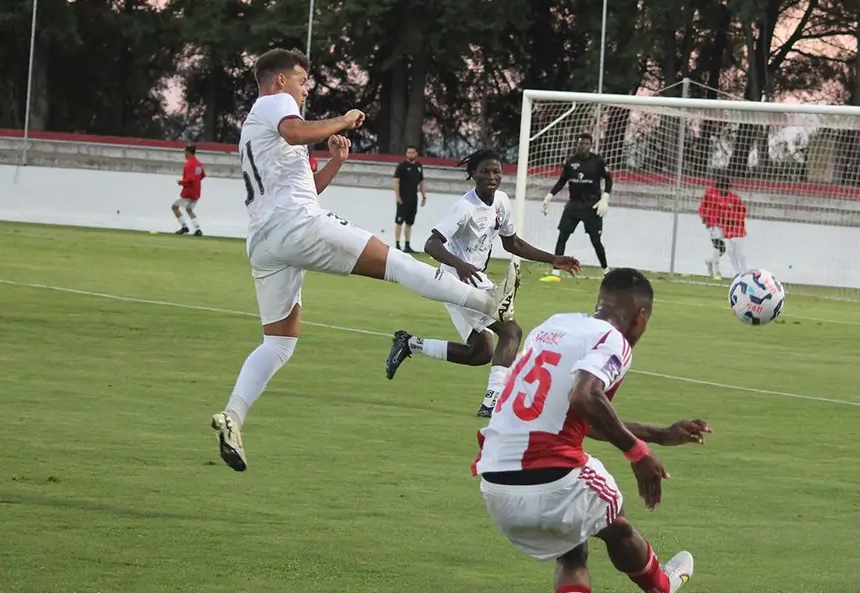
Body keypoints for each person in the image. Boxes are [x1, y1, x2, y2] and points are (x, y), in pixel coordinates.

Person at [210, 48, 512, 473]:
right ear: (279, 80)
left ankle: (233, 416)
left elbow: (304, 186)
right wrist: (345, 119)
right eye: (300, 79)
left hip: (264, 240)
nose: (304, 87)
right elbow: (297, 133)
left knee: (279, 342)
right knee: (400, 264)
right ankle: (486, 304)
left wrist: (335, 160)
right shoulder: (277, 105)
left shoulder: (255, 128)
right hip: (297, 227)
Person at [472, 268, 708, 593]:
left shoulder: (554, 325)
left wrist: (658, 434)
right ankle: (659, 589)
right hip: (551, 480)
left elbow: (577, 414)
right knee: (616, 524)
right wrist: (638, 453)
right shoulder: (614, 340)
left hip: (495, 485)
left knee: (573, 545)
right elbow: (585, 396)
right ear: (642, 316)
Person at [386, 149, 582, 417]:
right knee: (511, 332)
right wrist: (461, 264)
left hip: (474, 278)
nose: (492, 176)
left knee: (479, 353)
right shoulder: (465, 207)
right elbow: (431, 244)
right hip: (457, 280)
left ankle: (410, 344)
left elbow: (512, 242)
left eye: (496, 171)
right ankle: (493, 403)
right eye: (485, 171)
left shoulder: (501, 201)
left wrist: (553, 259)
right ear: (473, 174)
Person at [540, 133, 613, 282]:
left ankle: (606, 272)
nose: (583, 146)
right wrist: (549, 196)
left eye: (586, 144)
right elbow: (562, 181)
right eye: (581, 143)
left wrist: (605, 198)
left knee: (596, 240)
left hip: (592, 206)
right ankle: (556, 273)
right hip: (573, 205)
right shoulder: (571, 162)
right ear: (577, 144)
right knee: (562, 237)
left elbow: (609, 179)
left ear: (590, 145)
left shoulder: (597, 161)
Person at [697, 173, 748, 278]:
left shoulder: (732, 198)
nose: (724, 189)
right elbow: (702, 206)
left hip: (725, 226)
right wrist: (704, 218)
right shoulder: (710, 193)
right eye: (722, 187)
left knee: (723, 249)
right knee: (718, 246)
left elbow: (742, 210)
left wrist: (734, 220)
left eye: (726, 187)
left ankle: (710, 261)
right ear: (718, 186)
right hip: (712, 224)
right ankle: (717, 273)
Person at [393, 146, 428, 253]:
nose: (411, 154)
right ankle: (397, 244)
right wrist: (398, 196)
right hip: (403, 198)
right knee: (399, 221)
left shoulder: (419, 166)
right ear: (406, 154)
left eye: (413, 152)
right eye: (409, 152)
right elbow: (396, 181)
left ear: (416, 154)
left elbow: (421, 182)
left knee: (409, 222)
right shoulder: (401, 166)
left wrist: (423, 195)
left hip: (413, 198)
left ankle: (407, 244)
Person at [172, 145, 206, 235]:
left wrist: (181, 182)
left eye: (185, 152)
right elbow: (201, 176)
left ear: (188, 152)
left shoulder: (189, 164)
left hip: (188, 191)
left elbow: (190, 179)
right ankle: (198, 229)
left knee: (175, 207)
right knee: (189, 209)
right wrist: (196, 183)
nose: (184, 154)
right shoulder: (198, 164)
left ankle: (184, 226)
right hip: (196, 191)